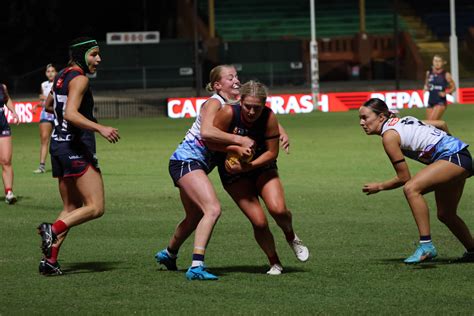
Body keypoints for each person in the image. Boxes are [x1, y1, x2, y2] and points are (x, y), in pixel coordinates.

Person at [155, 65, 256, 280]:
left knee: (194, 216)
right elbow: (206, 132)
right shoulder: (214, 102)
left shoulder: (235, 104)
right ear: (218, 85)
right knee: (212, 209)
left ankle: (168, 253)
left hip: (193, 164)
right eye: (230, 78)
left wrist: (280, 132)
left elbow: (261, 113)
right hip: (186, 161)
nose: (236, 80)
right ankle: (196, 266)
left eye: (237, 76)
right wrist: (239, 141)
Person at [37, 37, 120, 276]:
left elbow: (50, 105)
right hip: (76, 147)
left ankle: (50, 261)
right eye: (94, 54)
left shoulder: (62, 74)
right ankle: (52, 228)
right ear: (82, 55)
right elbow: (72, 114)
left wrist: (67, 115)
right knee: (95, 207)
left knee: (71, 207)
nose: (98, 59)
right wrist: (99, 127)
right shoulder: (80, 79)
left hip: (58, 145)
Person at [207, 80, 309, 275]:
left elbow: (272, 153)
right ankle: (275, 263)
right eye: (248, 107)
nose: (252, 112)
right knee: (259, 222)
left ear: (264, 105)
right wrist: (235, 149)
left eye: (257, 108)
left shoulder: (269, 117)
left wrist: (248, 166)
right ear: (241, 101)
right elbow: (210, 142)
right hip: (233, 173)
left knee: (278, 211)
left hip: (262, 167)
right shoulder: (229, 113)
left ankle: (291, 236)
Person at [359, 98, 474, 264]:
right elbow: (441, 124)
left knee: (411, 188)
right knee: (446, 214)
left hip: (452, 158)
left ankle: (426, 245)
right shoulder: (403, 121)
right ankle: (472, 250)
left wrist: (380, 186)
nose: (362, 123)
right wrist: (449, 145)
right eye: (360, 119)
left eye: (365, 117)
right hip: (458, 156)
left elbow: (404, 178)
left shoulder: (389, 136)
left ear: (381, 117)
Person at [33, 64, 57, 174]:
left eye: (52, 71)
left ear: (56, 72)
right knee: (44, 139)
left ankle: (59, 164)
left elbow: (57, 98)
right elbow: (44, 101)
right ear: (46, 73)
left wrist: (44, 97)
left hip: (57, 113)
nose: (50, 73)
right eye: (48, 71)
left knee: (59, 139)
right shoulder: (44, 84)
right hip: (46, 113)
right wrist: (37, 105)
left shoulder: (60, 82)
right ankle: (42, 166)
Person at [0, 83, 19, 204]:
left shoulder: (2, 87)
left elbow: (7, 99)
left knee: (6, 161)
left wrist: (13, 112)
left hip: (2, 126)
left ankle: (9, 193)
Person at [423, 54, 456, 120]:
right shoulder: (429, 73)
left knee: (432, 122)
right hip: (431, 101)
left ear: (443, 63)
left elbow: (454, 87)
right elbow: (426, 84)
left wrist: (446, 92)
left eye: (439, 61)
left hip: (440, 102)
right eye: (435, 61)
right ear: (432, 62)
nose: (437, 63)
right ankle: (443, 130)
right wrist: (425, 88)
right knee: (428, 125)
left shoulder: (446, 74)